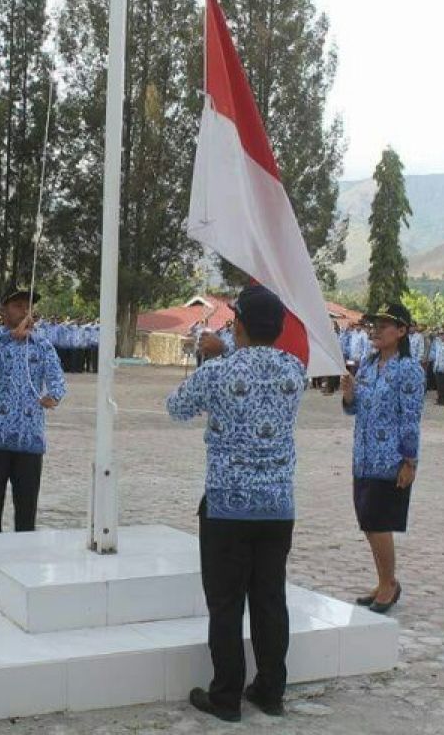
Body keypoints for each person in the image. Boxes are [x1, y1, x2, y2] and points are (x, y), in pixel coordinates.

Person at [166, 285, 305, 722]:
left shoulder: (219, 370)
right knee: (270, 599)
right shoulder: (295, 370)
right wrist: (225, 350)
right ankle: (270, 689)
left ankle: (226, 696)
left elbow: (177, 407)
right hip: (277, 504)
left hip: (228, 505)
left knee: (226, 604)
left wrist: (212, 355)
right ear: (279, 327)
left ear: (239, 323)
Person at [341, 302, 424, 621]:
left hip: (390, 458)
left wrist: (410, 461)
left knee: (378, 522)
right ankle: (382, 581)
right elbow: (356, 409)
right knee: (367, 520)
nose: (374, 330)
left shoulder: (408, 370)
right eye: (373, 324)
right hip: (363, 456)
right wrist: (349, 394)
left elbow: (411, 418)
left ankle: (389, 583)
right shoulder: (367, 365)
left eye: (384, 325)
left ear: (401, 331)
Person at [0, 289, 66, 534]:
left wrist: (54, 395)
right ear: (4, 309)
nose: (24, 311)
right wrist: (10, 337)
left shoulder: (41, 345)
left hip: (29, 441)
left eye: (28, 306)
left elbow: (57, 378)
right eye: (18, 306)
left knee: (26, 515)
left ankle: (24, 565)